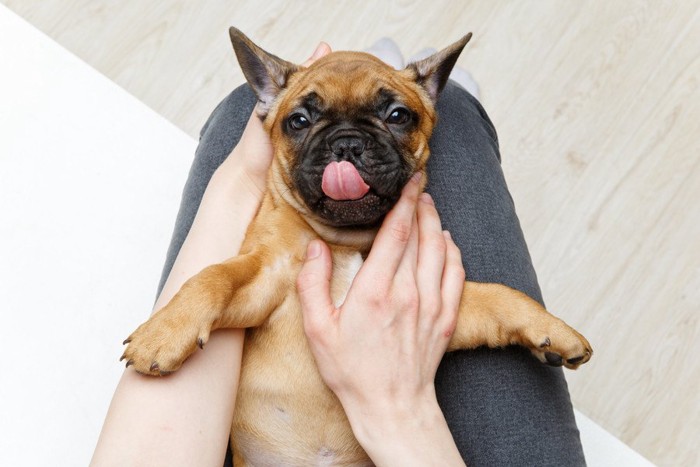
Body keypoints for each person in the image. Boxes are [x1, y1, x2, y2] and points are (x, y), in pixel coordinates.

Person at [92, 40, 585, 466]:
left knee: (233, 113)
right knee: (459, 116)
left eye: (394, 117)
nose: (344, 150)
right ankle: (400, 86)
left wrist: (519, 315)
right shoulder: (286, 235)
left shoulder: (287, 226)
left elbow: (451, 314)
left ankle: (377, 87)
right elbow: (246, 283)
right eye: (303, 121)